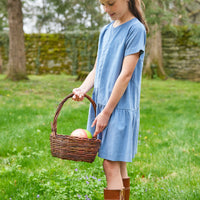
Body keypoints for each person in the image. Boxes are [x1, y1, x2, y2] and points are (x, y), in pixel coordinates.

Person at [72, 0, 148, 199]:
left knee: (110, 163)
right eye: (103, 4)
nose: (106, 10)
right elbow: (97, 69)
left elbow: (126, 74)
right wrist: (82, 88)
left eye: (111, 3)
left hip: (118, 108)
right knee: (119, 163)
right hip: (102, 107)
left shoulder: (136, 29)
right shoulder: (106, 31)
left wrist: (106, 113)